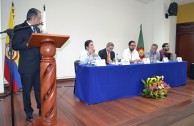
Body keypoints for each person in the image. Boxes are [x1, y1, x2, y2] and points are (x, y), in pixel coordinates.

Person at [12, 8, 41, 122]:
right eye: (39, 18)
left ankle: (41, 109)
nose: (40, 20)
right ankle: (28, 112)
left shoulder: (37, 29)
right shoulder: (19, 28)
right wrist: (27, 44)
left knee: (39, 89)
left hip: (38, 66)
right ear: (34, 18)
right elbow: (15, 45)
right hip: (27, 67)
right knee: (27, 91)